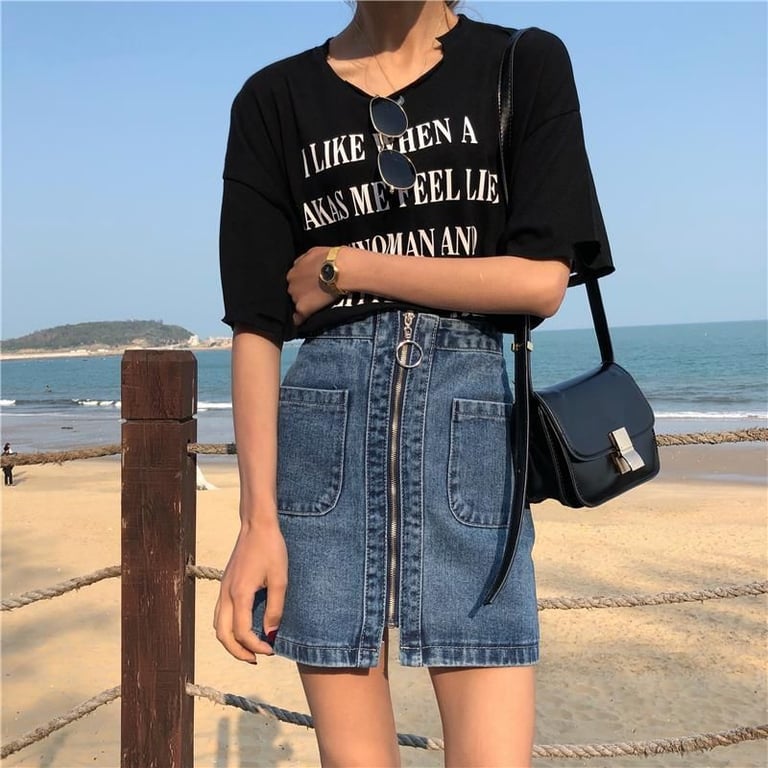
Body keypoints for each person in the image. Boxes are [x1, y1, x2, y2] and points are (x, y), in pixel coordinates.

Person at [215, 2, 612, 765]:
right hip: (321, 441)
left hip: (469, 431)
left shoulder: (522, 62)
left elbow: (540, 282)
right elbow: (256, 325)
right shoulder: (274, 98)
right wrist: (256, 522)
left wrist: (350, 267)